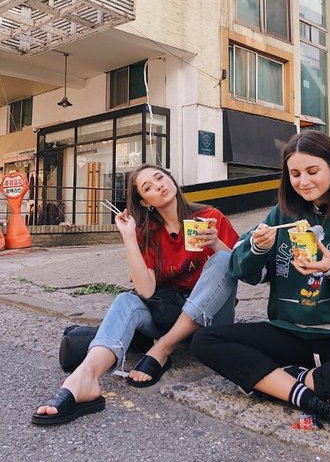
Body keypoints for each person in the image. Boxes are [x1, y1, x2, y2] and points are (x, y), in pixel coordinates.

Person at [191, 130, 330, 433]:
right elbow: (246, 269)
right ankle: (314, 400)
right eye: (294, 174)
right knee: (206, 341)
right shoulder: (284, 213)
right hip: (292, 330)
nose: (303, 181)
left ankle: (279, 379)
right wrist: (258, 248)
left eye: (312, 171)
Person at [32, 164, 239, 425]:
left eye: (160, 178)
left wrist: (216, 243)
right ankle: (85, 378)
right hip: (168, 314)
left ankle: (162, 349)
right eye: (148, 187)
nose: (158, 186)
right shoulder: (148, 233)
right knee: (125, 300)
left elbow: (239, 268)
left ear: (171, 179)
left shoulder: (210, 216)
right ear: (145, 202)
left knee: (223, 260)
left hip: (212, 319)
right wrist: (129, 237)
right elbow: (146, 290)